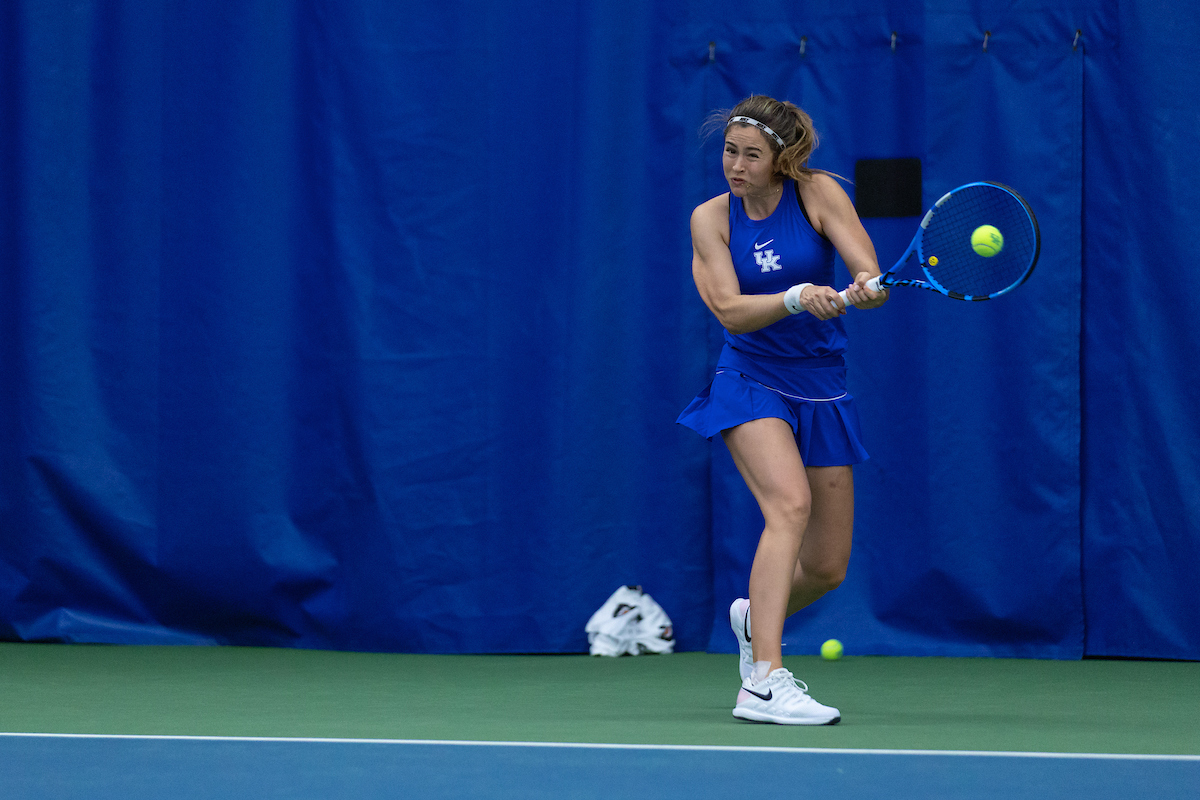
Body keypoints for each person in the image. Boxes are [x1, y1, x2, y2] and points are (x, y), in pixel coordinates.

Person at [677, 95, 888, 725]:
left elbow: (866, 271)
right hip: (750, 377)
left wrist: (865, 287)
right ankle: (762, 682)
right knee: (788, 505)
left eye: (751, 155)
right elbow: (728, 309)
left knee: (826, 566)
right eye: (729, 151)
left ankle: (753, 617)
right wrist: (796, 296)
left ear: (782, 160)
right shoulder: (710, 218)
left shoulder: (819, 194)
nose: (735, 166)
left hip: (822, 384)